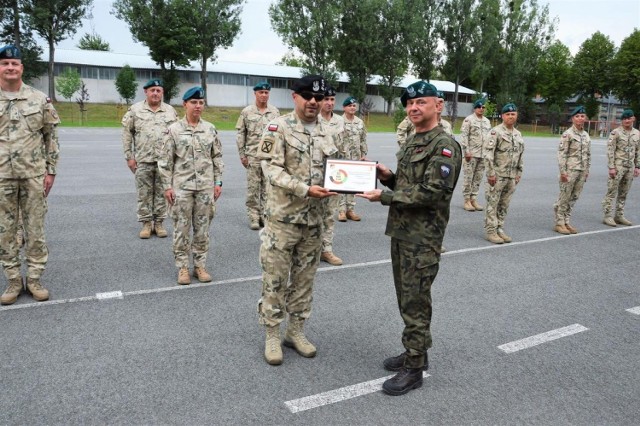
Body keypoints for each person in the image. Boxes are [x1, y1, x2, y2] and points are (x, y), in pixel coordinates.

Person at [357, 81, 462, 396]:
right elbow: (410, 182)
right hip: (403, 232)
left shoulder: (444, 145)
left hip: (422, 237)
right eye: (410, 104)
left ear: (438, 106)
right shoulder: (416, 140)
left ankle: (414, 368)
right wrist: (387, 176)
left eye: (421, 103)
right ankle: (417, 351)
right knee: (407, 298)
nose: (414, 108)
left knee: (415, 301)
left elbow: (434, 192)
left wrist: (385, 197)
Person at [256, 75, 339, 366]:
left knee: (304, 280)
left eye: (319, 97)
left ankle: (295, 331)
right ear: (295, 97)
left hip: (314, 222)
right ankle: (272, 334)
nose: (313, 102)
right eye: (307, 96)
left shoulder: (329, 131)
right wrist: (304, 189)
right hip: (283, 220)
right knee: (275, 280)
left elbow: (338, 169)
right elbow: (271, 170)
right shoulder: (277, 128)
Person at [0, 45, 60, 305]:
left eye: (14, 63)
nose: (10, 67)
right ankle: (13, 280)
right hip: (2, 176)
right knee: (5, 232)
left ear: (21, 68)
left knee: (35, 229)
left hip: (34, 176)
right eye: (5, 64)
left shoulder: (39, 99)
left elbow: (50, 138)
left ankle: (34, 279)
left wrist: (51, 171)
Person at [158, 87, 224, 285]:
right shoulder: (174, 130)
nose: (198, 106)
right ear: (185, 104)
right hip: (182, 188)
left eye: (201, 102)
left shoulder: (210, 129)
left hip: (205, 188)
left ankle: (200, 266)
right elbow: (165, 161)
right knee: (181, 229)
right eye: (194, 102)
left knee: (203, 229)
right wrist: (167, 187)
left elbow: (217, 157)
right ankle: (183, 268)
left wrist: (218, 182)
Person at [122, 79, 178, 239]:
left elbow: (176, 135)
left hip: (164, 161)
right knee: (144, 193)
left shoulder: (170, 111)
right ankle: (146, 224)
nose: (155, 93)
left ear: (162, 93)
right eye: (152, 90)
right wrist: (129, 157)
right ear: (146, 92)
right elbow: (127, 134)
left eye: (158, 90)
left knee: (163, 192)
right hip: (143, 160)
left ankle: (159, 223)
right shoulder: (135, 110)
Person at [235, 81, 280, 230]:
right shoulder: (247, 112)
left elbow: (280, 134)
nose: (264, 95)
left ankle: (265, 216)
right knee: (253, 188)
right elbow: (241, 134)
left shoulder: (275, 112)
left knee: (268, 188)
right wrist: (242, 154)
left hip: (270, 157)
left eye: (266, 92)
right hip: (253, 156)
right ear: (255, 93)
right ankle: (254, 217)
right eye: (261, 92)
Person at [483, 103, 524, 244]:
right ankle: (491, 231)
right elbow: (488, 154)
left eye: (513, 114)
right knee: (492, 203)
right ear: (502, 116)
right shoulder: (495, 132)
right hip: (498, 175)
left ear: (516, 115)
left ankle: (500, 228)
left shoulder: (518, 134)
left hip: (511, 176)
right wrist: (490, 174)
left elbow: (520, 155)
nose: (511, 116)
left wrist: (519, 172)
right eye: (508, 114)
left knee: (504, 204)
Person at [553, 106, 591, 235]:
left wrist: (587, 170)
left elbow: (588, 154)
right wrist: (563, 172)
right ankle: (559, 223)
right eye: (577, 116)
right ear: (573, 119)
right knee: (565, 197)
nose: (580, 118)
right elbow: (561, 154)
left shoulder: (586, 135)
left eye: (582, 116)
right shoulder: (568, 134)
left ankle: (566, 221)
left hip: (581, 170)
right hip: (570, 171)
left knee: (574, 197)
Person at [319, 85, 345, 266]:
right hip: (314, 174)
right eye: (326, 99)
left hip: (334, 173)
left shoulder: (340, 121)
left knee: (329, 214)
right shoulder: (312, 119)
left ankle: (326, 249)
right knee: (310, 214)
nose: (329, 103)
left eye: (332, 100)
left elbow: (342, 148)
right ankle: (308, 250)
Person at [602, 109, 640, 226]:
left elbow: (638, 150)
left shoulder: (637, 133)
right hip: (618, 167)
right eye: (624, 119)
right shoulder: (616, 133)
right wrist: (611, 167)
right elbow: (610, 151)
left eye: (628, 118)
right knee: (611, 192)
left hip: (629, 167)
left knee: (624, 193)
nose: (626, 121)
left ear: (633, 119)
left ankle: (619, 215)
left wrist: (637, 166)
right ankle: (608, 216)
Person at [338, 96, 367, 222]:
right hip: (342, 157)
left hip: (355, 157)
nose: (352, 107)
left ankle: (350, 210)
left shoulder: (359, 122)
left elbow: (363, 139)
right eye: (350, 106)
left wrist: (363, 153)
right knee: (340, 183)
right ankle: (341, 211)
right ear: (344, 107)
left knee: (352, 184)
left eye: (354, 105)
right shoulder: (338, 121)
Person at [460, 99, 491, 211]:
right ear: (475, 108)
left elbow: (489, 138)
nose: (481, 109)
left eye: (483, 107)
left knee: (478, 178)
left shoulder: (487, 121)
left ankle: (474, 199)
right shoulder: (469, 120)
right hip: (471, 154)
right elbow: (464, 136)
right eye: (479, 107)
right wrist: (466, 151)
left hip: (483, 155)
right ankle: (467, 200)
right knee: (468, 178)